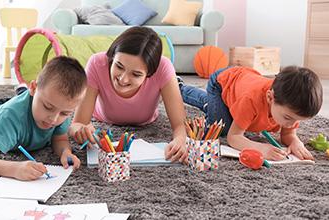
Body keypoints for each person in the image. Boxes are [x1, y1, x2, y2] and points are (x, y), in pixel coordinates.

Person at [0, 56, 87, 180]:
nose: (54, 119)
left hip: (21, 104)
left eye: (64, 114)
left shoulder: (59, 105)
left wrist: (65, 152)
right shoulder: (9, 118)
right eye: (48, 107)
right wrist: (14, 169)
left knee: (31, 104)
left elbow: (60, 138)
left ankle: (22, 91)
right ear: (34, 88)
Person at [70, 26, 187, 163]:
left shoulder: (164, 67)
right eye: (119, 66)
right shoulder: (96, 63)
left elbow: (180, 125)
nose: (123, 79)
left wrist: (180, 140)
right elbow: (77, 123)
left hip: (147, 121)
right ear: (112, 57)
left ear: (149, 74)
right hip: (102, 118)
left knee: (182, 91)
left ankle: (181, 87)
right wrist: (80, 131)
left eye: (136, 74)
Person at [178, 66, 323, 161]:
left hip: (242, 83)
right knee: (222, 127)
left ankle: (218, 105)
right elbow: (233, 137)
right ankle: (179, 88)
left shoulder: (289, 105)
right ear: (269, 98)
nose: (291, 124)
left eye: (298, 121)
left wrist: (295, 142)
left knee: (230, 114)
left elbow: (288, 134)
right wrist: (260, 148)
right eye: (288, 118)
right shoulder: (251, 100)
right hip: (221, 84)